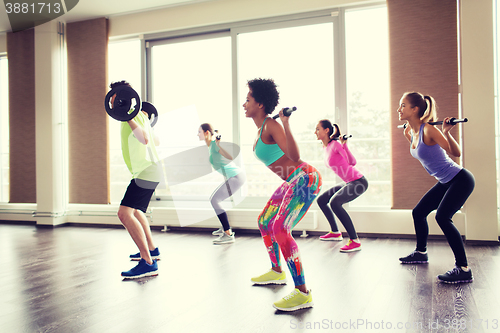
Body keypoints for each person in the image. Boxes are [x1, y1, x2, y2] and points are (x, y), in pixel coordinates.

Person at [244, 78, 322, 311]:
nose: (244, 104)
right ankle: (277, 272)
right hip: (293, 181)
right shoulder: (261, 129)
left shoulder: (271, 125)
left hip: (305, 177)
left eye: (248, 100)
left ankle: (302, 292)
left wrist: (286, 124)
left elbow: (296, 157)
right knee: (265, 221)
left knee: (280, 228)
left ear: (259, 104)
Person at [397, 92, 475, 283]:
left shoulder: (429, 130)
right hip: (445, 181)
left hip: (460, 179)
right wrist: (407, 133)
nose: (399, 109)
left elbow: (456, 153)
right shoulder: (413, 132)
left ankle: (463, 268)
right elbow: (420, 152)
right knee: (418, 212)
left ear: (415, 109)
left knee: (442, 217)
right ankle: (421, 252)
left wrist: (446, 132)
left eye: (403, 105)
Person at [109, 80, 162, 279]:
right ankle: (152, 249)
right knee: (136, 211)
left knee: (124, 214)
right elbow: (157, 140)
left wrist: (129, 117)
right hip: (150, 170)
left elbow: (147, 140)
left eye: (114, 97)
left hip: (146, 171)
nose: (112, 101)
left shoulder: (133, 117)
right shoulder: (141, 116)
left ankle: (148, 262)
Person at [314, 120, 368, 252]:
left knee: (335, 203)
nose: (315, 132)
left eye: (317, 129)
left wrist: (345, 145)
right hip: (349, 182)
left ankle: (355, 241)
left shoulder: (336, 144)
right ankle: (335, 232)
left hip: (358, 181)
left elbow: (352, 162)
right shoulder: (325, 147)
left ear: (326, 130)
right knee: (321, 200)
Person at [198, 123, 246, 244]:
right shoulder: (210, 146)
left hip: (236, 176)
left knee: (214, 200)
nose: (197, 134)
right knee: (214, 200)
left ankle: (228, 234)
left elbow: (230, 157)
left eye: (199, 132)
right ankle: (225, 227)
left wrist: (219, 145)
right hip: (233, 177)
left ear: (206, 133)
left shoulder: (214, 145)